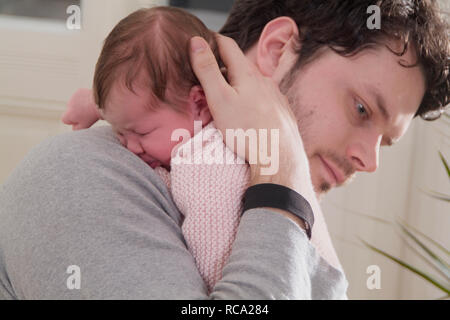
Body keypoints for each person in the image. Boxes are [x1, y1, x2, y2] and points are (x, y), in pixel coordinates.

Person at [0, 0, 448, 299]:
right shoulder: (84, 175)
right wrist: (279, 172)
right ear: (276, 50)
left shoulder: (271, 215)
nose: (369, 161)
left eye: (385, 143)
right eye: (361, 108)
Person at [62, 6, 343, 293]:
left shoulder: (206, 167)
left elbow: (216, 277)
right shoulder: (228, 118)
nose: (129, 147)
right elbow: (136, 103)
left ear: (198, 103)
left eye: (140, 133)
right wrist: (98, 106)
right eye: (120, 130)